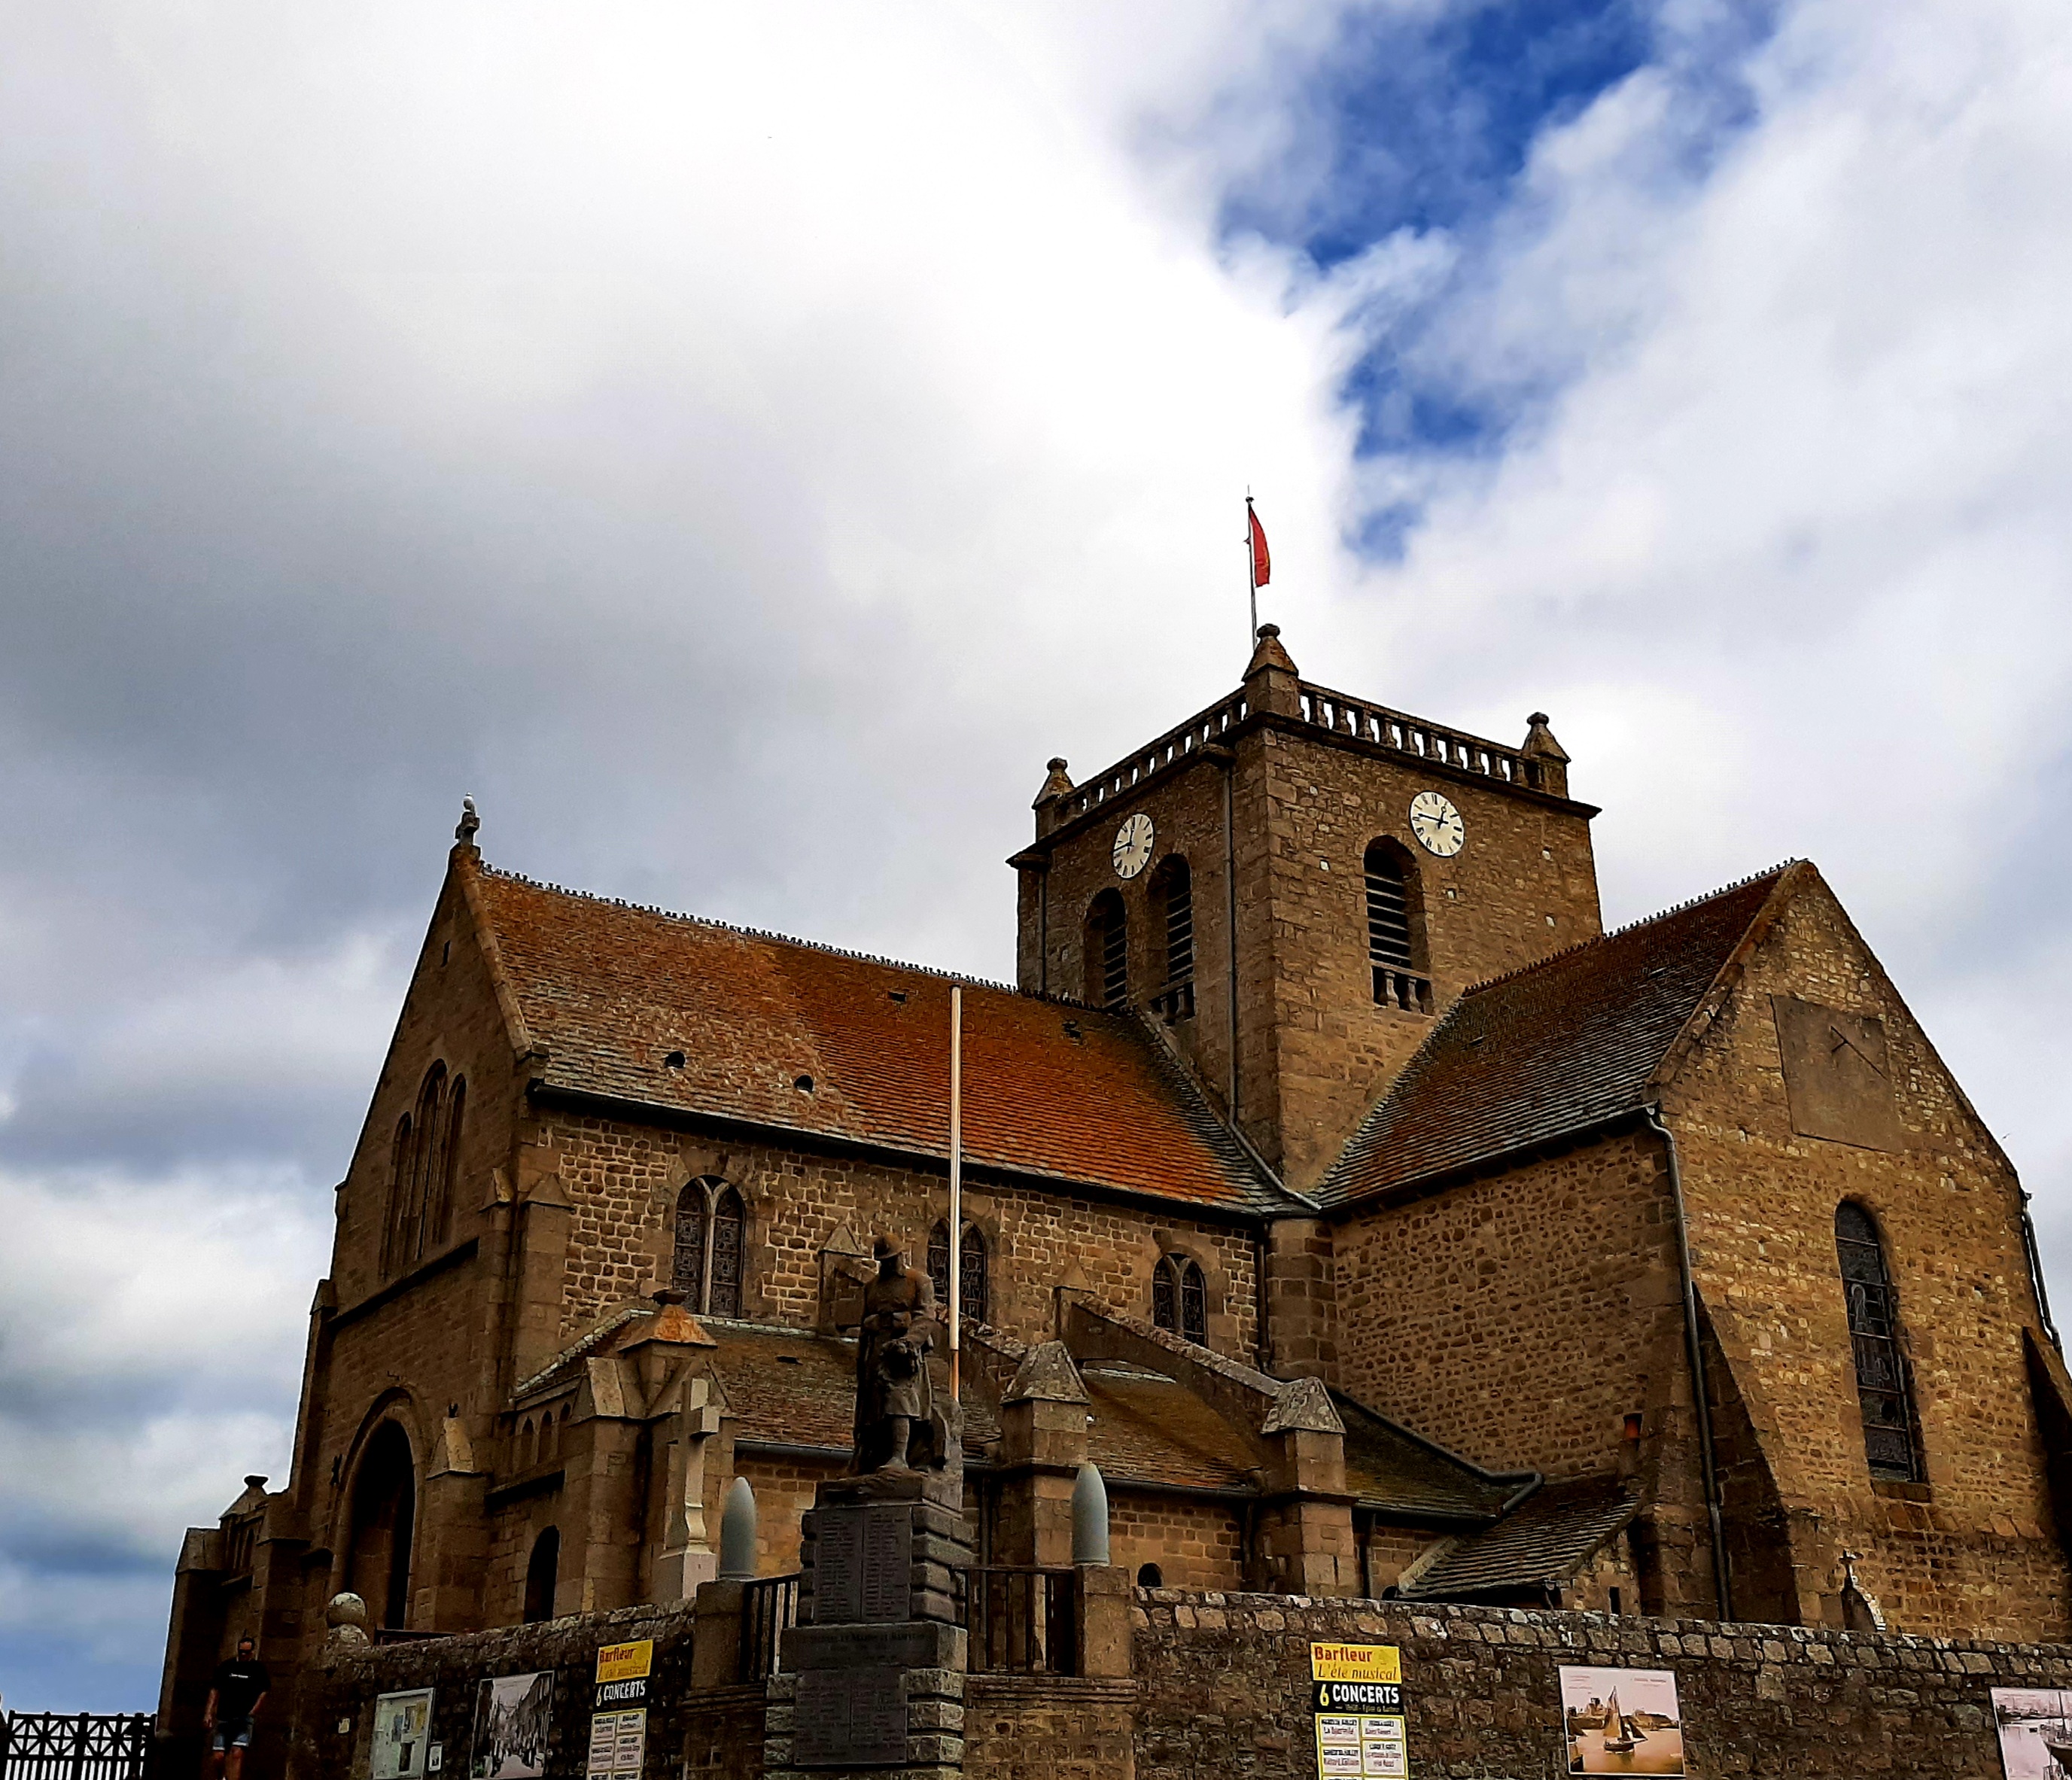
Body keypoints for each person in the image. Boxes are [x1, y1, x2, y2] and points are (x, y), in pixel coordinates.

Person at [852, 1232, 938, 1471]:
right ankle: (868, 1458)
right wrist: (862, 1358)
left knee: (899, 1399)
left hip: (903, 1354)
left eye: (892, 1259)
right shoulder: (871, 1287)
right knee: (871, 1409)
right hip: (876, 1350)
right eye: (885, 1261)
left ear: (901, 1256)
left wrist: (909, 1342)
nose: (889, 1264)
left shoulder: (918, 1281)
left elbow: (926, 1316)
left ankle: (900, 1456)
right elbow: (864, 1326)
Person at [203, 1635, 270, 1780]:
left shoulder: (258, 1669)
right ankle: (220, 1776)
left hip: (244, 1718)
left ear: (252, 1652)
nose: (243, 1655)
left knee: (237, 1753)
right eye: (241, 1652)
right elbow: (215, 1690)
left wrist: (255, 1709)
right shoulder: (227, 1666)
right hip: (224, 1717)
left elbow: (264, 1690)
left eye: (247, 1652)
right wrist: (208, 1712)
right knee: (218, 1756)